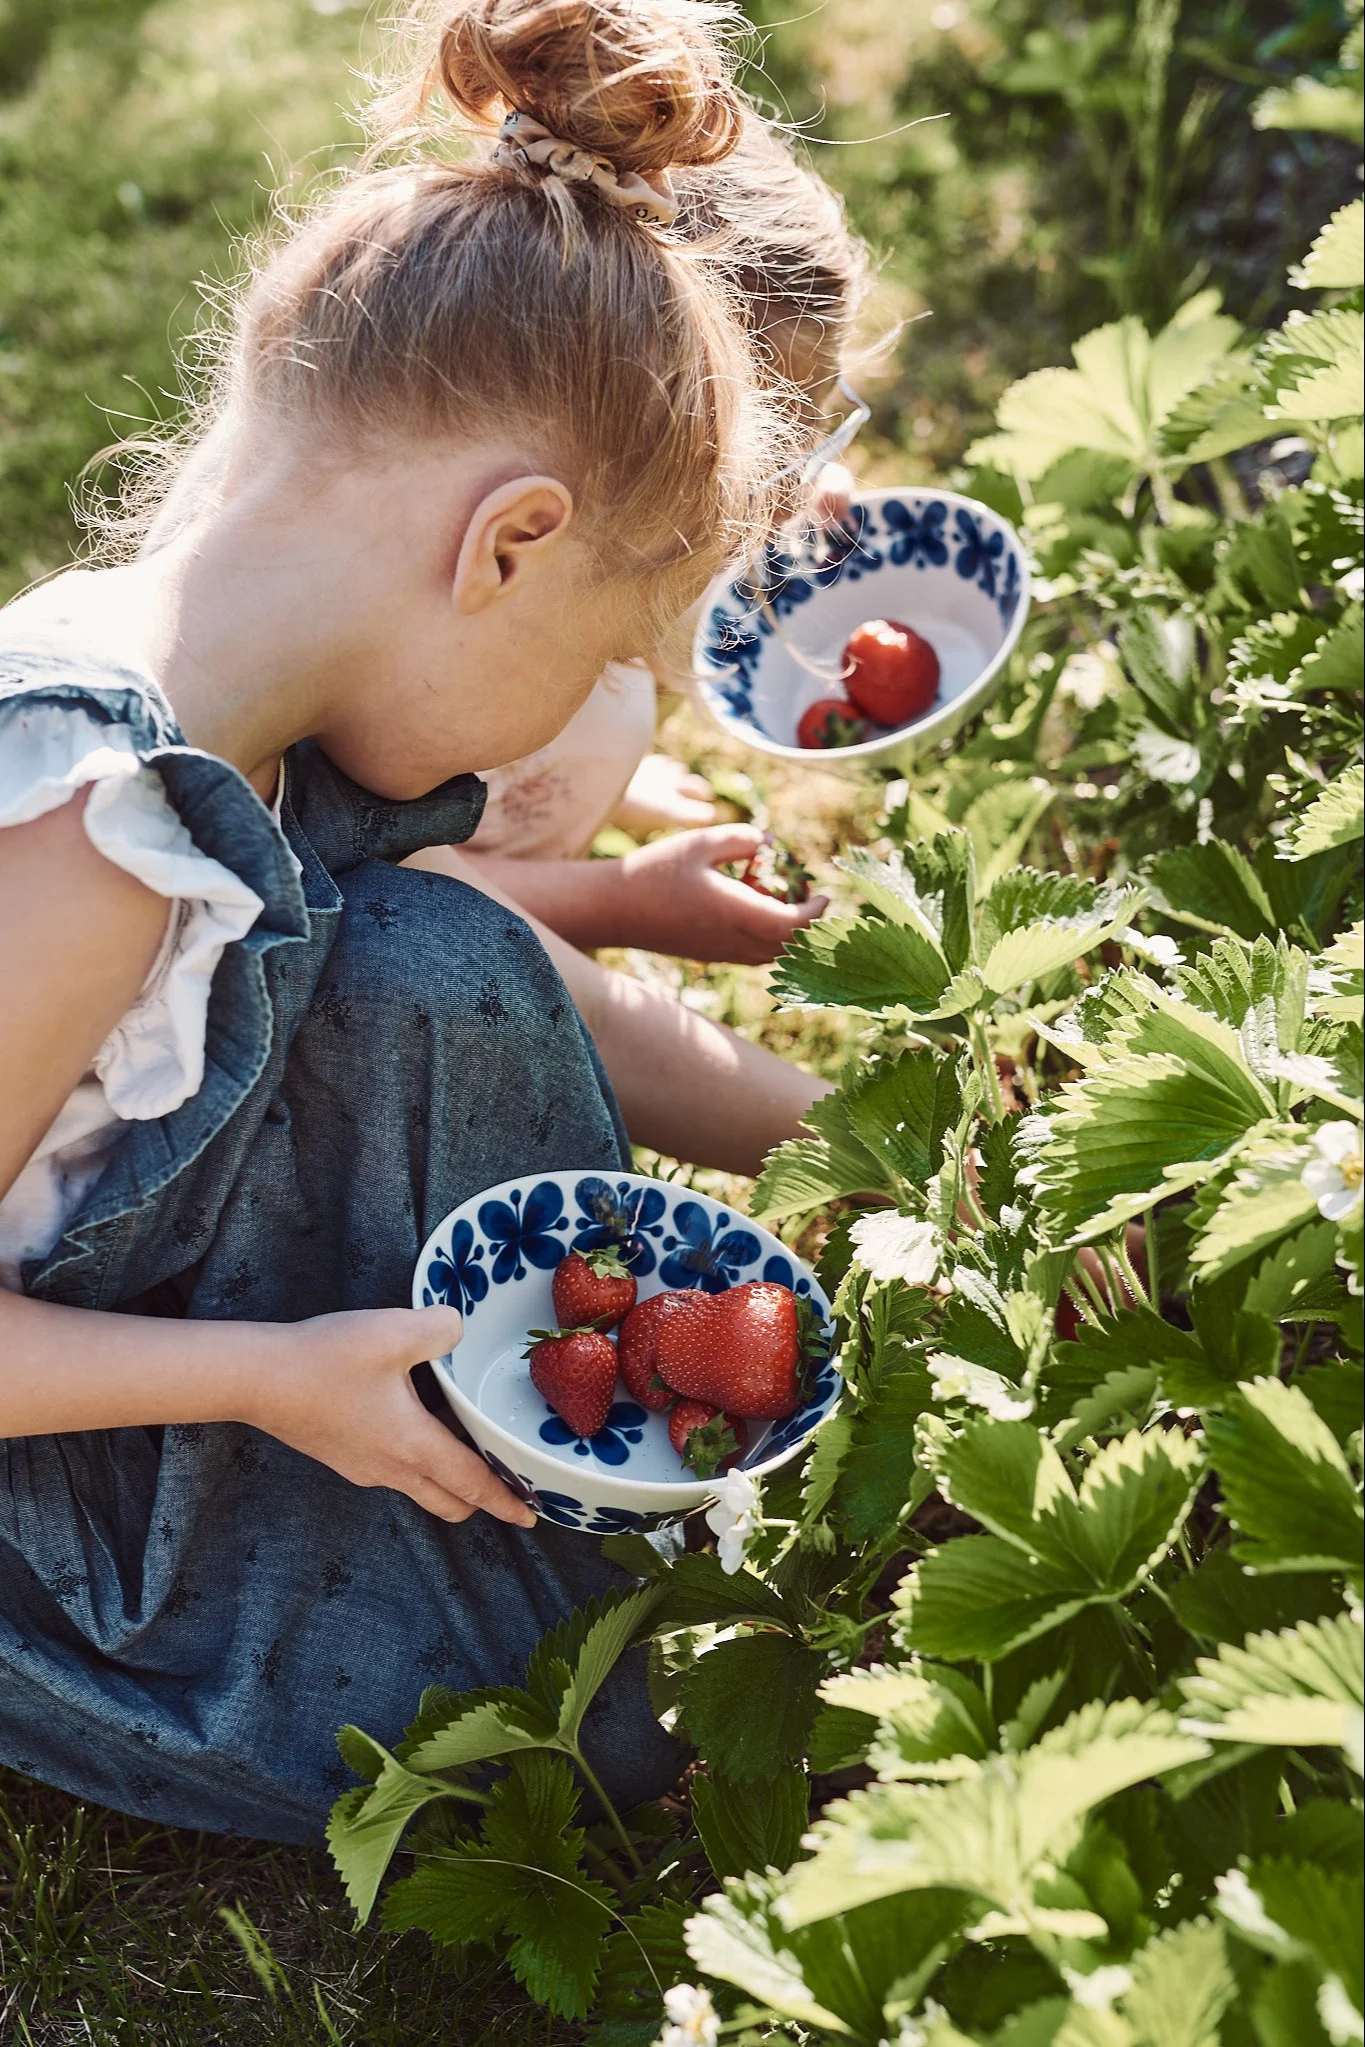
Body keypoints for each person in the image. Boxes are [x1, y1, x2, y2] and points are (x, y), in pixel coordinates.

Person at [0, 0, 829, 1845]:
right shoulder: (87, 824)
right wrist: (266, 1376)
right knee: (596, 1739)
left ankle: (532, 1514)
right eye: (608, 655)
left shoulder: (247, 723)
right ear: (506, 545)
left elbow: (489, 971)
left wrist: (840, 1133)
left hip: (177, 1300)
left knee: (429, 949)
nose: (577, 722)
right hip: (53, 1453)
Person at [449, 111, 871, 967]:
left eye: (815, 435)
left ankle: (548, 792)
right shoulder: (436, 663)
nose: (792, 492)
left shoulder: (588, 554)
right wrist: (621, 901)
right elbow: (379, 899)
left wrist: (779, 548)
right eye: (765, 462)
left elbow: (671, 627)